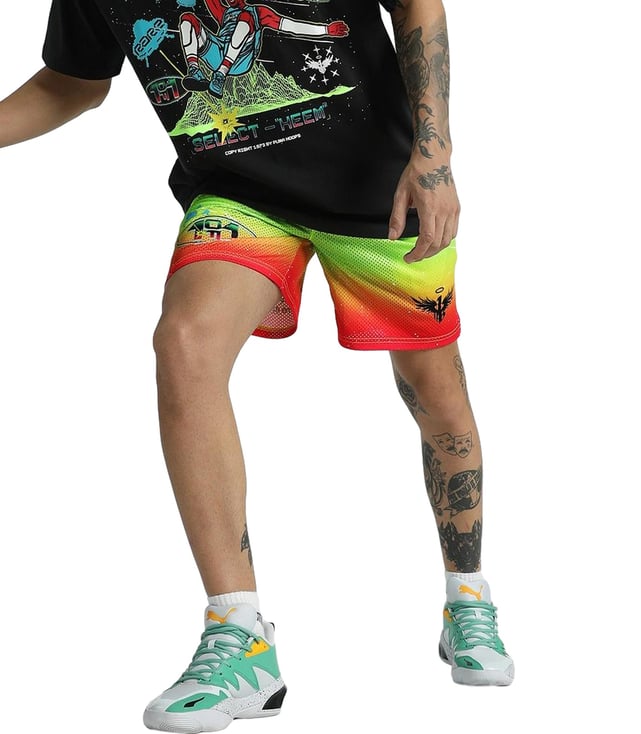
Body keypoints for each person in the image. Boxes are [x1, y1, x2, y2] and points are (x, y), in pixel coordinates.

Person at [0, 0, 513, 731]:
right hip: (239, 197)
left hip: (378, 190)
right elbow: (71, 83)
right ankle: (240, 635)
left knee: (436, 394)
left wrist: (433, 156)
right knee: (185, 343)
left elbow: (415, 4)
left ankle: (468, 596)